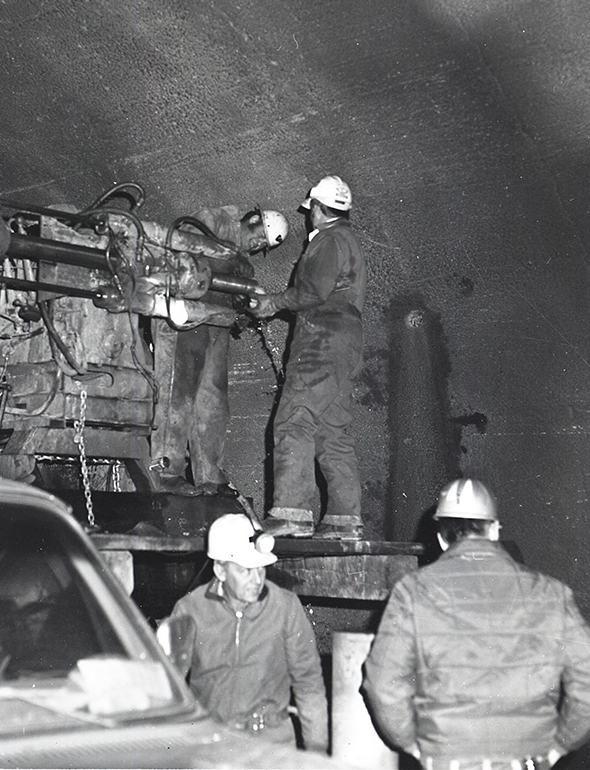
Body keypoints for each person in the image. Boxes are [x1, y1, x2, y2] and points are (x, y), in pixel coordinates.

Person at [363, 478, 590, 769]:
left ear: (442, 537)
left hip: (447, 758)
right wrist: (560, 745)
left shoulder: (412, 590)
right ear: (494, 530)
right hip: (528, 760)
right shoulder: (550, 592)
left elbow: (383, 684)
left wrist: (409, 743)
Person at [248, 175, 366, 539]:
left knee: (293, 419)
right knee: (332, 430)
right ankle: (345, 520)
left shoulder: (328, 241)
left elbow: (312, 291)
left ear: (316, 209)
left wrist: (272, 303)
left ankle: (291, 512)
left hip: (322, 339)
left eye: (309, 209)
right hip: (347, 342)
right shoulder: (350, 242)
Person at [162, 513, 328, 752]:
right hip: (212, 744)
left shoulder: (285, 606)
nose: (257, 579)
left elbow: (309, 682)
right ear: (220, 570)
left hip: (272, 745)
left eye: (261, 569)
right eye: (245, 571)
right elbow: (168, 685)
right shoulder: (190, 610)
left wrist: (317, 752)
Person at [150, 205, 288, 492]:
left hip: (216, 322)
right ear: (253, 220)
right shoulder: (214, 220)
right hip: (184, 316)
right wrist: (233, 264)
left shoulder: (242, 263)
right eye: (261, 236)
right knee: (179, 389)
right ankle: (165, 469)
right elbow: (182, 249)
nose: (258, 244)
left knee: (213, 400)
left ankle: (210, 476)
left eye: (264, 245)